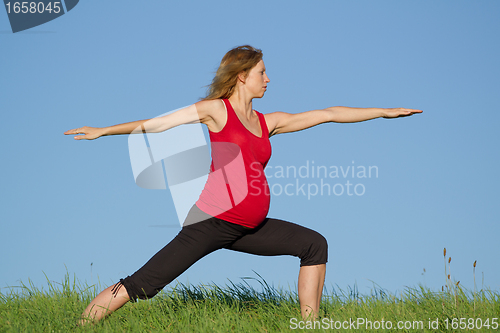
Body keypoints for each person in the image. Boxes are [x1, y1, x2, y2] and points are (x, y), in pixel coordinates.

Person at [65, 45, 422, 324]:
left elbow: (327, 113)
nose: (268, 79)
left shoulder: (268, 122)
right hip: (210, 223)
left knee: (314, 245)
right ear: (241, 76)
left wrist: (383, 112)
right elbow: (159, 125)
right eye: (262, 73)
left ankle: (310, 325)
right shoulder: (217, 111)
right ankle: (82, 323)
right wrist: (104, 131)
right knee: (144, 284)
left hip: (249, 227)